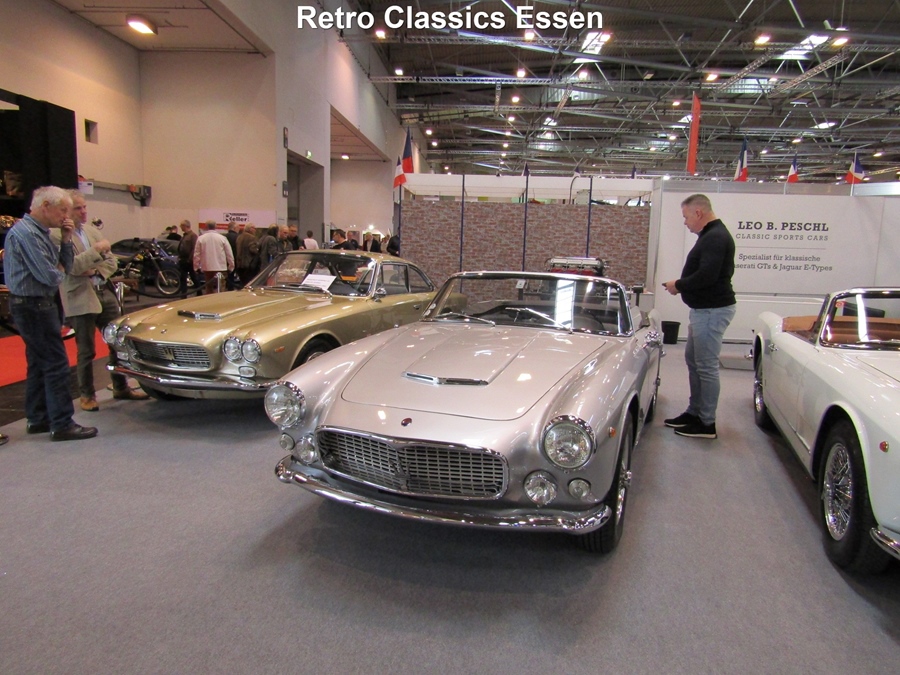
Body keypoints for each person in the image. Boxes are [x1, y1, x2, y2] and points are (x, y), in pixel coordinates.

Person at [4, 186, 98, 441]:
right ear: (45, 206)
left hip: (38, 304)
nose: (67, 216)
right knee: (56, 364)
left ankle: (38, 418)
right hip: (33, 305)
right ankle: (62, 423)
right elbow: (51, 276)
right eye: (63, 210)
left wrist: (66, 240)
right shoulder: (27, 234)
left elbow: (65, 266)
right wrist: (59, 269)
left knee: (38, 363)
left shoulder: (40, 233)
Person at [51, 190, 149, 411]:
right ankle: (87, 394)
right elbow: (72, 266)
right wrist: (96, 251)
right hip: (79, 296)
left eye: (85, 207)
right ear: (66, 211)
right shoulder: (57, 236)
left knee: (117, 342)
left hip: (104, 291)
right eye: (78, 208)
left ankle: (121, 386)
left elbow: (112, 262)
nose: (83, 211)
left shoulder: (92, 231)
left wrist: (96, 270)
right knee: (86, 350)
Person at [662, 193, 736, 440]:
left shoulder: (715, 237)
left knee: (705, 366)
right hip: (704, 310)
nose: (685, 223)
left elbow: (707, 275)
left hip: (712, 311)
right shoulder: (710, 235)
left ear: (698, 212)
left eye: (686, 217)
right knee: (694, 361)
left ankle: (706, 423)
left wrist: (678, 285)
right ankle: (694, 413)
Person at [193, 220, 234, 294]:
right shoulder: (222, 238)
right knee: (221, 289)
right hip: (221, 267)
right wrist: (231, 266)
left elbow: (196, 254)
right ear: (216, 226)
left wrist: (196, 267)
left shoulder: (201, 238)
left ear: (206, 227)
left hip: (207, 267)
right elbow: (229, 253)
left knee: (209, 288)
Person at [177, 219, 198, 295]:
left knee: (193, 277)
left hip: (189, 260)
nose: (180, 227)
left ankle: (199, 292)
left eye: (181, 225)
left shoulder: (193, 235)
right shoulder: (184, 236)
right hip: (182, 259)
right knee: (183, 277)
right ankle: (183, 293)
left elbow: (194, 248)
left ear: (185, 226)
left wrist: (190, 259)